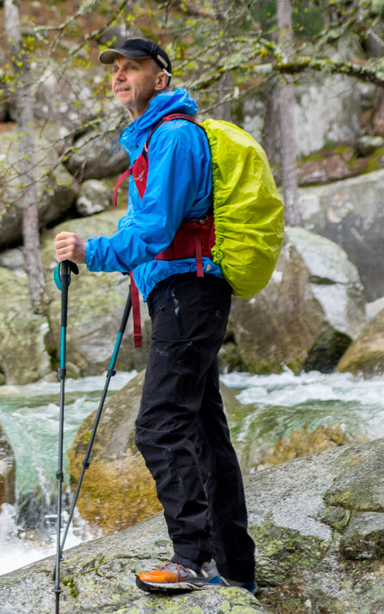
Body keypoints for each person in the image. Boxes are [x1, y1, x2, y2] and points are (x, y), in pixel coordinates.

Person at [53, 38, 257, 594]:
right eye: (115, 70)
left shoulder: (172, 136)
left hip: (188, 294)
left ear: (161, 78)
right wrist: (131, 262)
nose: (120, 76)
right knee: (203, 430)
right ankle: (236, 568)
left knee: (158, 425)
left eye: (133, 68)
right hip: (184, 291)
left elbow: (159, 229)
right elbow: (151, 228)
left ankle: (193, 560)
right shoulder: (157, 138)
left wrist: (92, 253)